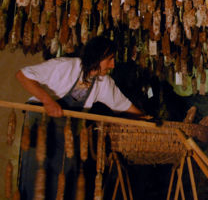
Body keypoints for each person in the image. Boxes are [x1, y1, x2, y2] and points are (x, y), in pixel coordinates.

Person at [15, 36, 143, 199]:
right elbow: (22, 75)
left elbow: (125, 106)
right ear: (98, 56)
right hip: (40, 125)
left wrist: (146, 119)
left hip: (66, 135)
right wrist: (48, 101)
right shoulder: (65, 66)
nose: (113, 65)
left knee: (64, 181)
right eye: (110, 59)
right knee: (35, 179)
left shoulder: (103, 82)